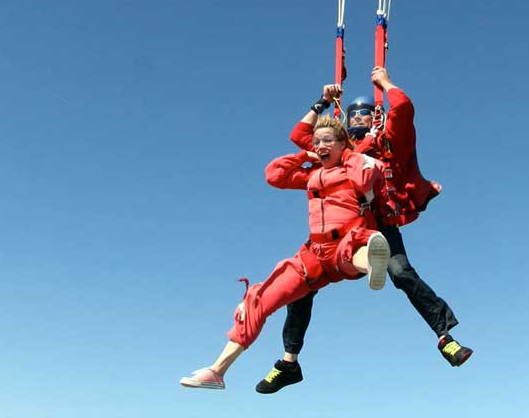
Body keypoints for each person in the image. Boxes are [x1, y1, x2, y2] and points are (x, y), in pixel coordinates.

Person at [256, 67, 472, 395]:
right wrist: (322, 103)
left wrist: (384, 83)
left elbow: (403, 109)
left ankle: (445, 337)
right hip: (337, 231)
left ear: (374, 118)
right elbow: (300, 137)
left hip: (376, 226)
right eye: (353, 115)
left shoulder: (384, 145)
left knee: (401, 273)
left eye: (364, 114)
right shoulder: (339, 152)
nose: (357, 119)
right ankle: (289, 362)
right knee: (301, 287)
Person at [179, 115, 392, 390]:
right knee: (260, 300)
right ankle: (217, 372)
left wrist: (349, 152)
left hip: (346, 242)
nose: (320, 145)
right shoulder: (313, 176)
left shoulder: (356, 166)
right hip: (313, 253)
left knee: (357, 247)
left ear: (342, 144)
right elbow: (275, 175)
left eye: (327, 140)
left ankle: (373, 263)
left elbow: (365, 177)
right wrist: (303, 154)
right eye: (316, 141)